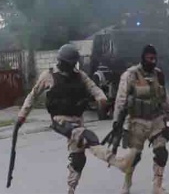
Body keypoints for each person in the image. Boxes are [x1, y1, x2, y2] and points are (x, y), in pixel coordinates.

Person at [16, 44, 134, 194]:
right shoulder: (49, 75)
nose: (69, 67)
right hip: (60, 121)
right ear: (61, 61)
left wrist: (101, 98)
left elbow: (93, 87)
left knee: (79, 159)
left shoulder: (79, 75)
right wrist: (22, 115)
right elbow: (33, 96)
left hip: (77, 120)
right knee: (89, 137)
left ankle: (71, 189)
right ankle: (119, 162)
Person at [113, 44, 169, 194]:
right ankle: (127, 184)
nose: (153, 61)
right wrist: (117, 121)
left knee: (161, 153)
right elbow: (121, 99)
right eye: (149, 58)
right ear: (143, 58)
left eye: (154, 58)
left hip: (156, 120)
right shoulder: (130, 75)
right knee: (134, 157)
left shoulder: (158, 74)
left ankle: (157, 186)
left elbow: (165, 97)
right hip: (137, 122)